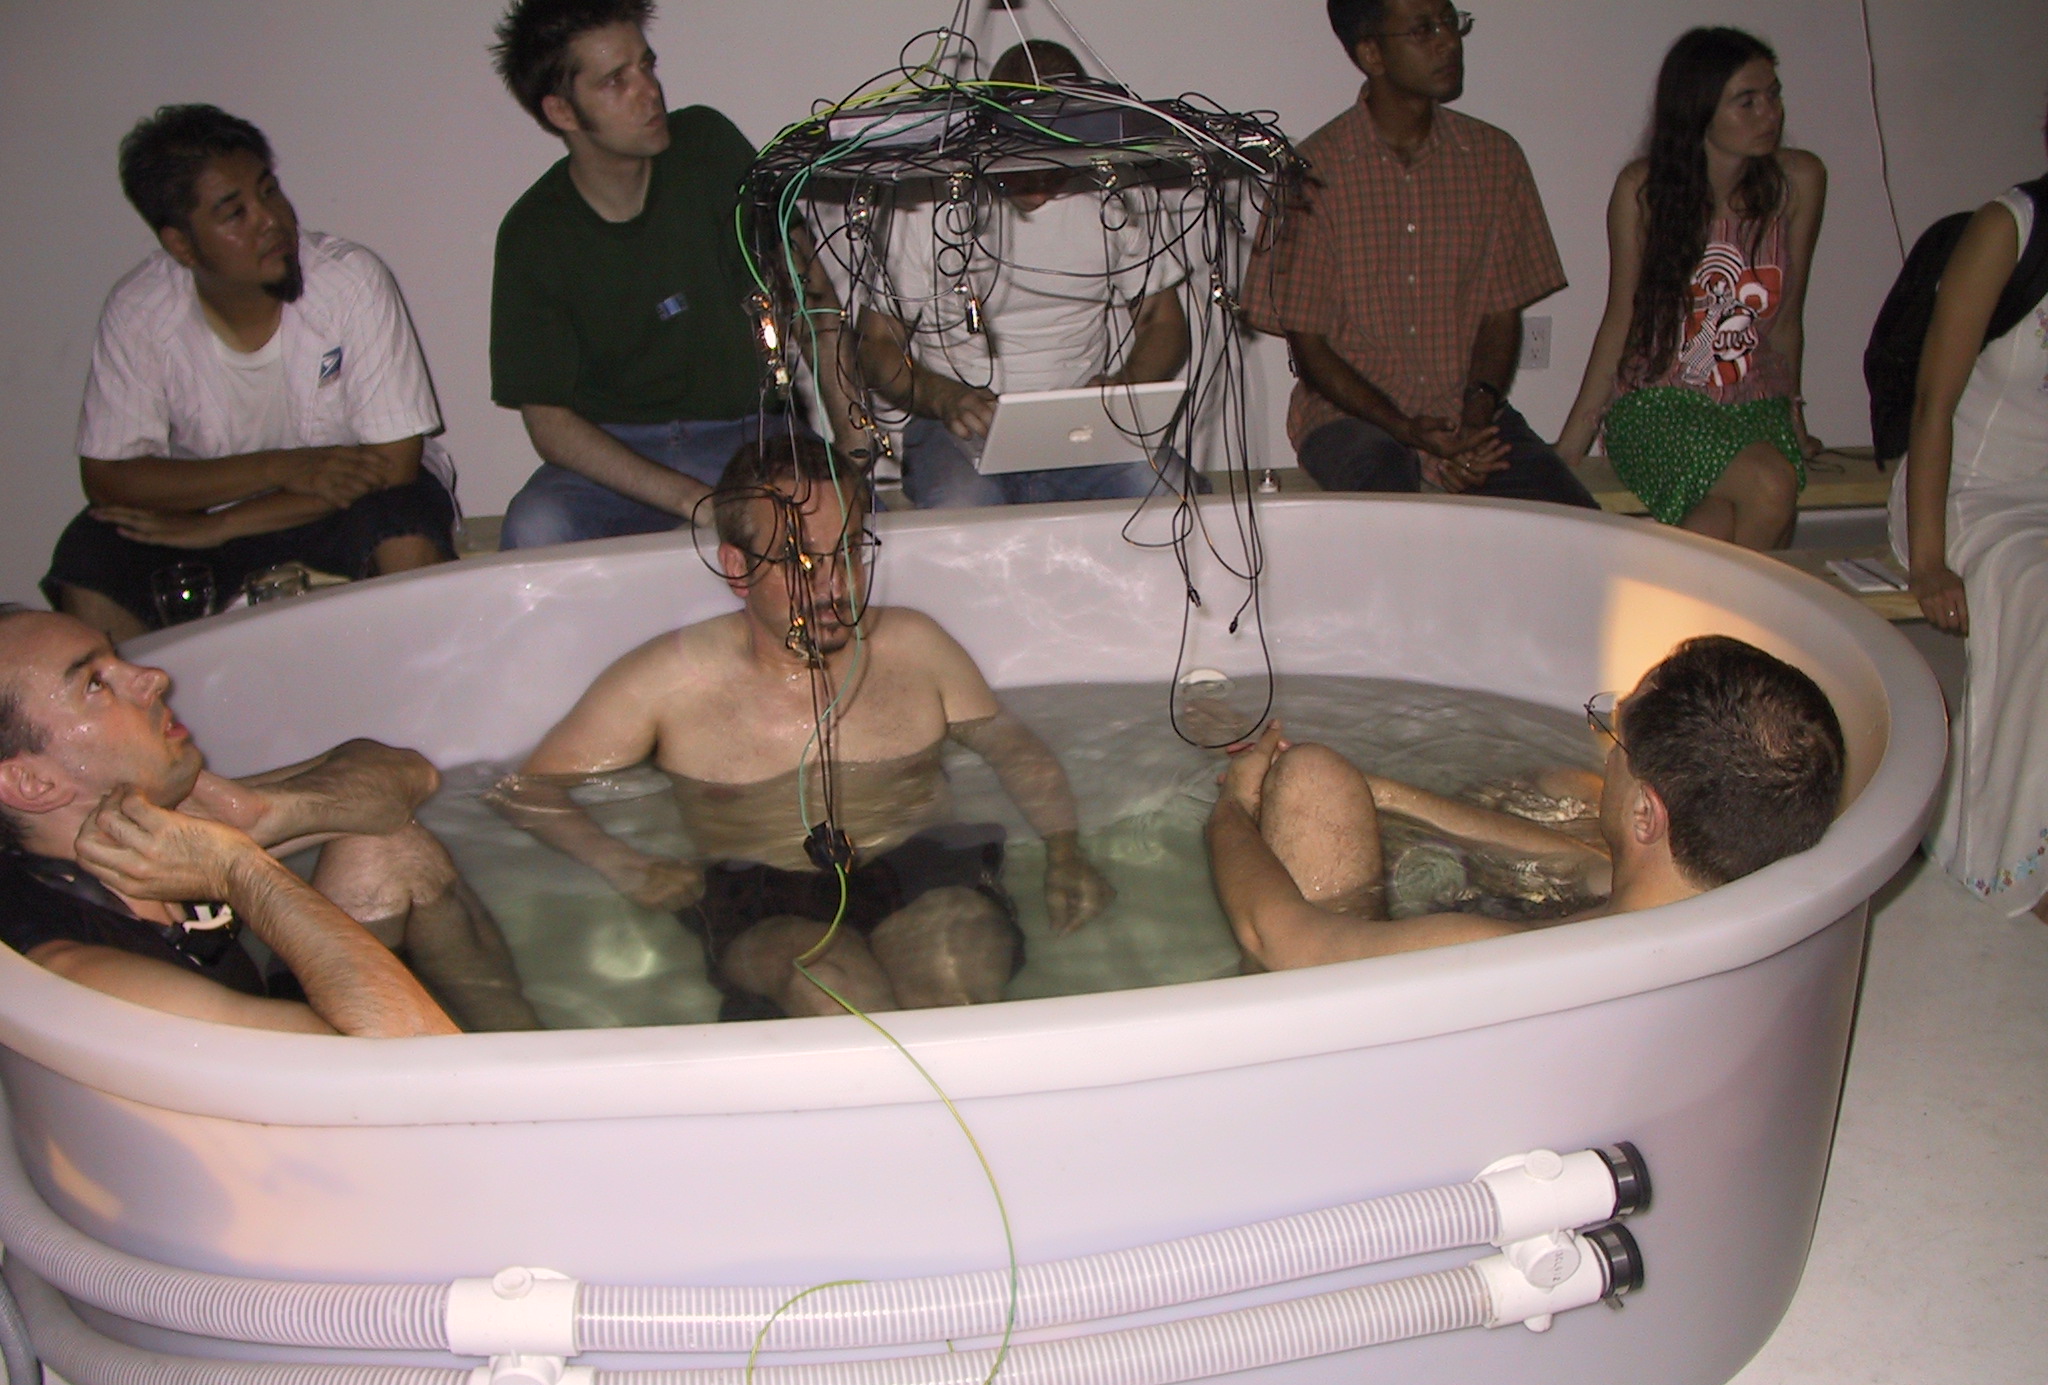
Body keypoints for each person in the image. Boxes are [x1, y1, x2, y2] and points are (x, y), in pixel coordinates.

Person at [489, 436, 1114, 1018]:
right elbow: (526, 791)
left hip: (922, 869)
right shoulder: (664, 682)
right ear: (736, 568)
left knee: (951, 978)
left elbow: (1012, 747)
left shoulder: (914, 646)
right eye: (799, 560)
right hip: (760, 896)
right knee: (832, 987)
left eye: (849, 552)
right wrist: (626, 867)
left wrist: (1065, 851)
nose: (834, 586)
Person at [0, 609, 539, 1035]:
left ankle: (526, 1062)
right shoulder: (90, 979)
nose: (154, 678)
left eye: (117, 658)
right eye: (95, 683)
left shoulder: (130, 826)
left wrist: (263, 814)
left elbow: (407, 774)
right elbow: (410, 1061)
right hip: (296, 1108)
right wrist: (239, 870)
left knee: (389, 844)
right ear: (32, 783)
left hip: (292, 1041)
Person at [48, 105, 459, 643]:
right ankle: (135, 696)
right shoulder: (140, 311)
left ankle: (416, 682)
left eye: (269, 191)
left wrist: (220, 525)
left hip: (340, 503)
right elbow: (108, 479)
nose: (271, 220)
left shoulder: (350, 281)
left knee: (400, 519)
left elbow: (394, 463)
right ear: (181, 244)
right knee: (91, 551)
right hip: (216, 504)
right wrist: (279, 468)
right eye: (234, 213)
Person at [1207, 635, 1842, 969]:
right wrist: (1380, 792)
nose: (1607, 752)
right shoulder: (1710, 905)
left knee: (1309, 781)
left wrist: (1232, 809)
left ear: (1646, 814)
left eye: (1616, 738)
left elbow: (1279, 941)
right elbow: (1572, 860)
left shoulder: (1495, 956)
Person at [489, 0, 852, 548]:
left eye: (647, 66)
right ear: (562, 111)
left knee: (823, 521)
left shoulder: (709, 145)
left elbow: (814, 304)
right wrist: (694, 501)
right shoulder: (534, 233)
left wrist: (852, 450)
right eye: (616, 81)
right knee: (536, 526)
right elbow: (550, 424)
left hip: (749, 434)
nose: (649, 91)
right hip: (616, 456)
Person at [1239, 0, 1597, 508]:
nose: (1448, 42)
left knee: (1573, 523)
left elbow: (1501, 314)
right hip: (1352, 418)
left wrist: (1474, 419)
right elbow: (1310, 347)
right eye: (1423, 29)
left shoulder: (1495, 158)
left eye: (1451, 22)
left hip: (1465, 411)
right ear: (1372, 54)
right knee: (1392, 504)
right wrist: (1408, 431)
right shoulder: (1313, 173)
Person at [855, 40, 1197, 510]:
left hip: (1080, 424)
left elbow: (1163, 321)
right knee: (961, 507)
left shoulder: (1117, 189)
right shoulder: (924, 201)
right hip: (953, 424)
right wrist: (942, 395)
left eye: (1053, 171)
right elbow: (876, 345)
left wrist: (1123, 385)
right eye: (1018, 168)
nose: (1037, 191)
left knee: (1172, 498)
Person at [1558, 28, 1826, 549]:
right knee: (1771, 485)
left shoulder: (1799, 182)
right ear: (1698, 109)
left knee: (1712, 529)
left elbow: (1788, 319)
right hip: (1659, 404)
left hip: (1756, 404)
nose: (1769, 113)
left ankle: (1658, 600)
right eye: (1747, 101)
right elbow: (1622, 318)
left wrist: (1794, 416)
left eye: (1773, 95)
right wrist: (1573, 443)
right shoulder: (1644, 191)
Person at [1891, 110, 2048, 922]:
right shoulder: (2008, 229)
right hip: (1965, 492)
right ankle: (2010, 851)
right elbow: (1932, 404)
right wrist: (1929, 560)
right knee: (2041, 590)